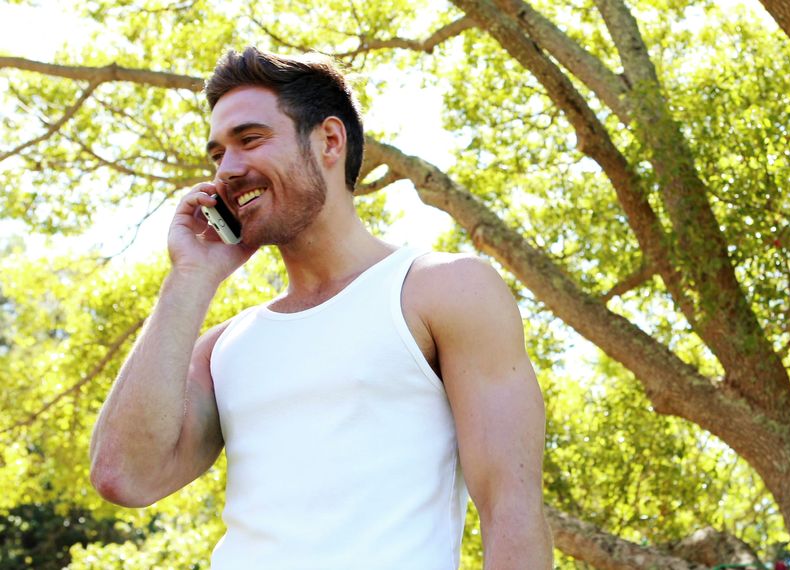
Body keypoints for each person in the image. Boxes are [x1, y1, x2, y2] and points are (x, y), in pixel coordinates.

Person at [88, 46, 552, 569]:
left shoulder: (443, 290)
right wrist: (190, 278)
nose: (228, 170)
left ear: (329, 140)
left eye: (250, 139)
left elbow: (511, 509)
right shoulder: (224, 347)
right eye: (218, 154)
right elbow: (123, 476)